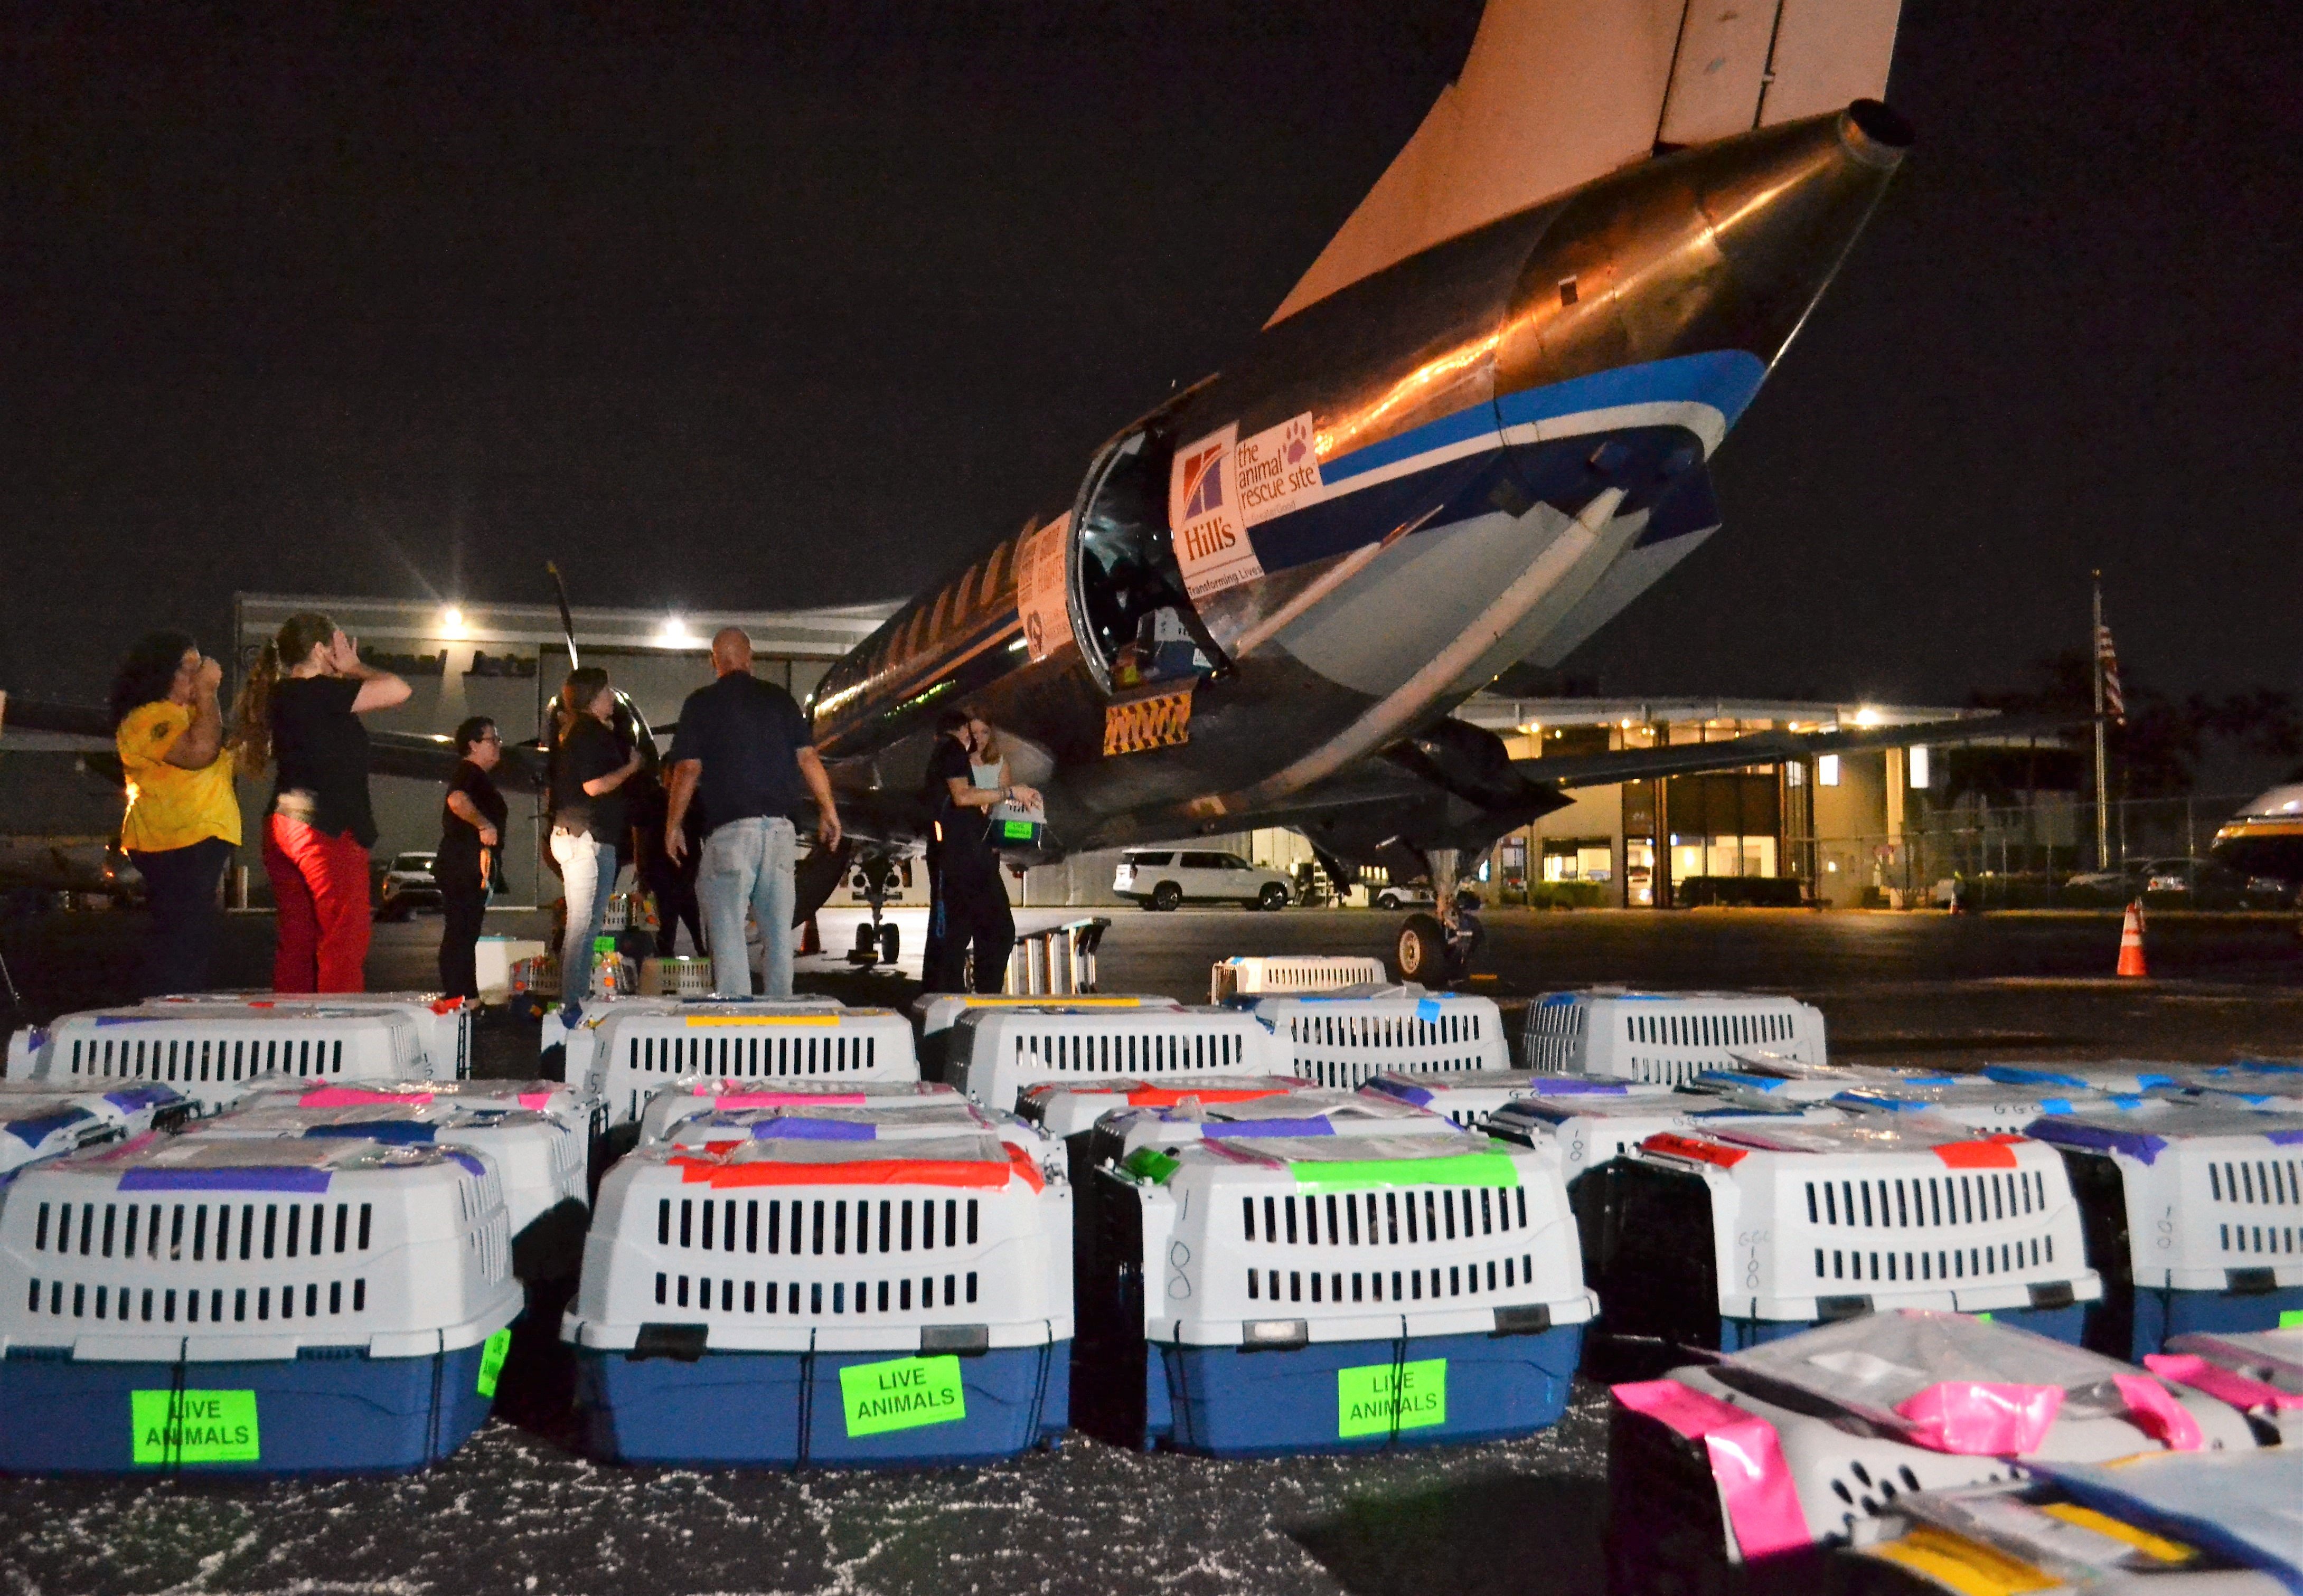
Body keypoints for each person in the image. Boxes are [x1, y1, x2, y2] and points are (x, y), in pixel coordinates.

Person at [231, 612, 410, 993]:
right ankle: (337, 1029)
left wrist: (340, 674)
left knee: (298, 939)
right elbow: (398, 689)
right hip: (325, 826)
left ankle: (292, 1033)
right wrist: (355, 666)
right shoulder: (319, 693)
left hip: (283, 823)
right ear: (319, 649)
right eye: (337, 645)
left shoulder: (283, 695)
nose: (343, 652)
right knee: (344, 937)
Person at [664, 628, 840, 998]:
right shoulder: (780, 699)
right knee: (778, 937)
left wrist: (673, 824)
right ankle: (780, 1019)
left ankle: (736, 1019)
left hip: (730, 834)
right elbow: (808, 758)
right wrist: (829, 810)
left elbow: (687, 770)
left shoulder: (701, 702)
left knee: (727, 933)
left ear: (715, 661)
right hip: (779, 832)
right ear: (750, 658)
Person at [111, 631, 242, 996]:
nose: (198, 674)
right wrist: (209, 692)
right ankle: (166, 1020)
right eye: (189, 667)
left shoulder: (185, 716)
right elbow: (199, 751)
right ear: (160, 673)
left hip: (192, 840)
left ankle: (170, 1015)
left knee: (187, 938)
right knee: (182, 942)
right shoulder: (148, 717)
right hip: (177, 842)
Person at [922, 708, 1035, 994]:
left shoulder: (944, 753)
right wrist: (1009, 794)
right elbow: (962, 797)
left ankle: (949, 995)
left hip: (962, 851)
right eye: (971, 732)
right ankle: (982, 993)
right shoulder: (954, 753)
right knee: (995, 929)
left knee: (955, 930)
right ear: (962, 732)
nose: (975, 738)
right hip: (966, 854)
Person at [548, 666, 643, 998]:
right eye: (606, 691)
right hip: (584, 837)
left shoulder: (585, 731)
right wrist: (630, 768)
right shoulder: (588, 734)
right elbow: (593, 785)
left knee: (588, 925)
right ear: (592, 697)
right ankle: (572, 1001)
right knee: (582, 925)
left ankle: (576, 997)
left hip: (591, 837)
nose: (612, 696)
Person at [433, 715, 506, 1003]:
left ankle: (465, 995)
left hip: (465, 866)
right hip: (462, 865)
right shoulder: (469, 773)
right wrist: (484, 825)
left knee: (465, 931)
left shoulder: (475, 776)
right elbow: (457, 800)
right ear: (473, 745)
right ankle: (460, 995)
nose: (498, 745)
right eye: (493, 739)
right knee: (462, 931)